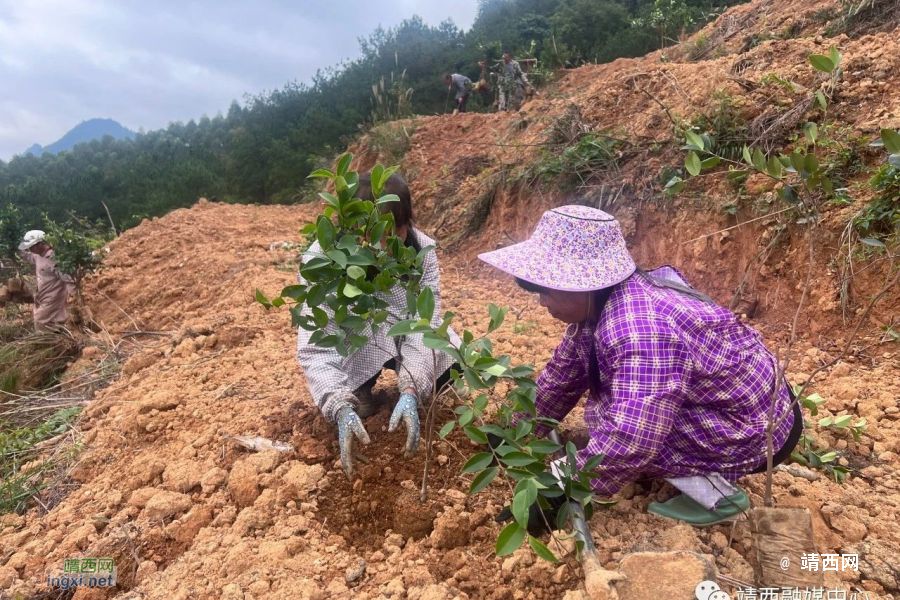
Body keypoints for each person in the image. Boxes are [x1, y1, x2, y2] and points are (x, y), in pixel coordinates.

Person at [478, 205, 803, 526]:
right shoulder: (602, 305)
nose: (542, 301)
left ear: (586, 284)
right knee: (613, 410)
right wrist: (513, 430)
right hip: (740, 404)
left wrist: (557, 489)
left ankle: (718, 497)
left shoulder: (638, 330)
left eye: (547, 289)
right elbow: (561, 378)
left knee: (613, 417)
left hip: (759, 429)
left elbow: (632, 437)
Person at [296, 172, 460, 480]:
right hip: (358, 340)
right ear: (349, 229)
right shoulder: (324, 261)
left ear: (407, 223)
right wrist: (338, 404)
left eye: (392, 232)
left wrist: (412, 389)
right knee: (353, 403)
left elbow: (426, 325)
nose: (382, 246)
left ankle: (417, 389)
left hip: (405, 331)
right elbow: (318, 344)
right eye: (370, 235)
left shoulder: (422, 253)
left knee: (448, 358)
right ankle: (358, 390)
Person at [17, 230, 75, 330]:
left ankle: (44, 341)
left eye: (32, 246)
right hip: (43, 294)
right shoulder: (38, 256)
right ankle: (60, 337)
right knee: (53, 319)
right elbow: (27, 257)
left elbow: (65, 276)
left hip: (53, 295)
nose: (30, 249)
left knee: (40, 319)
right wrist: (14, 249)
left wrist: (74, 292)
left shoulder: (52, 257)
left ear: (40, 244)